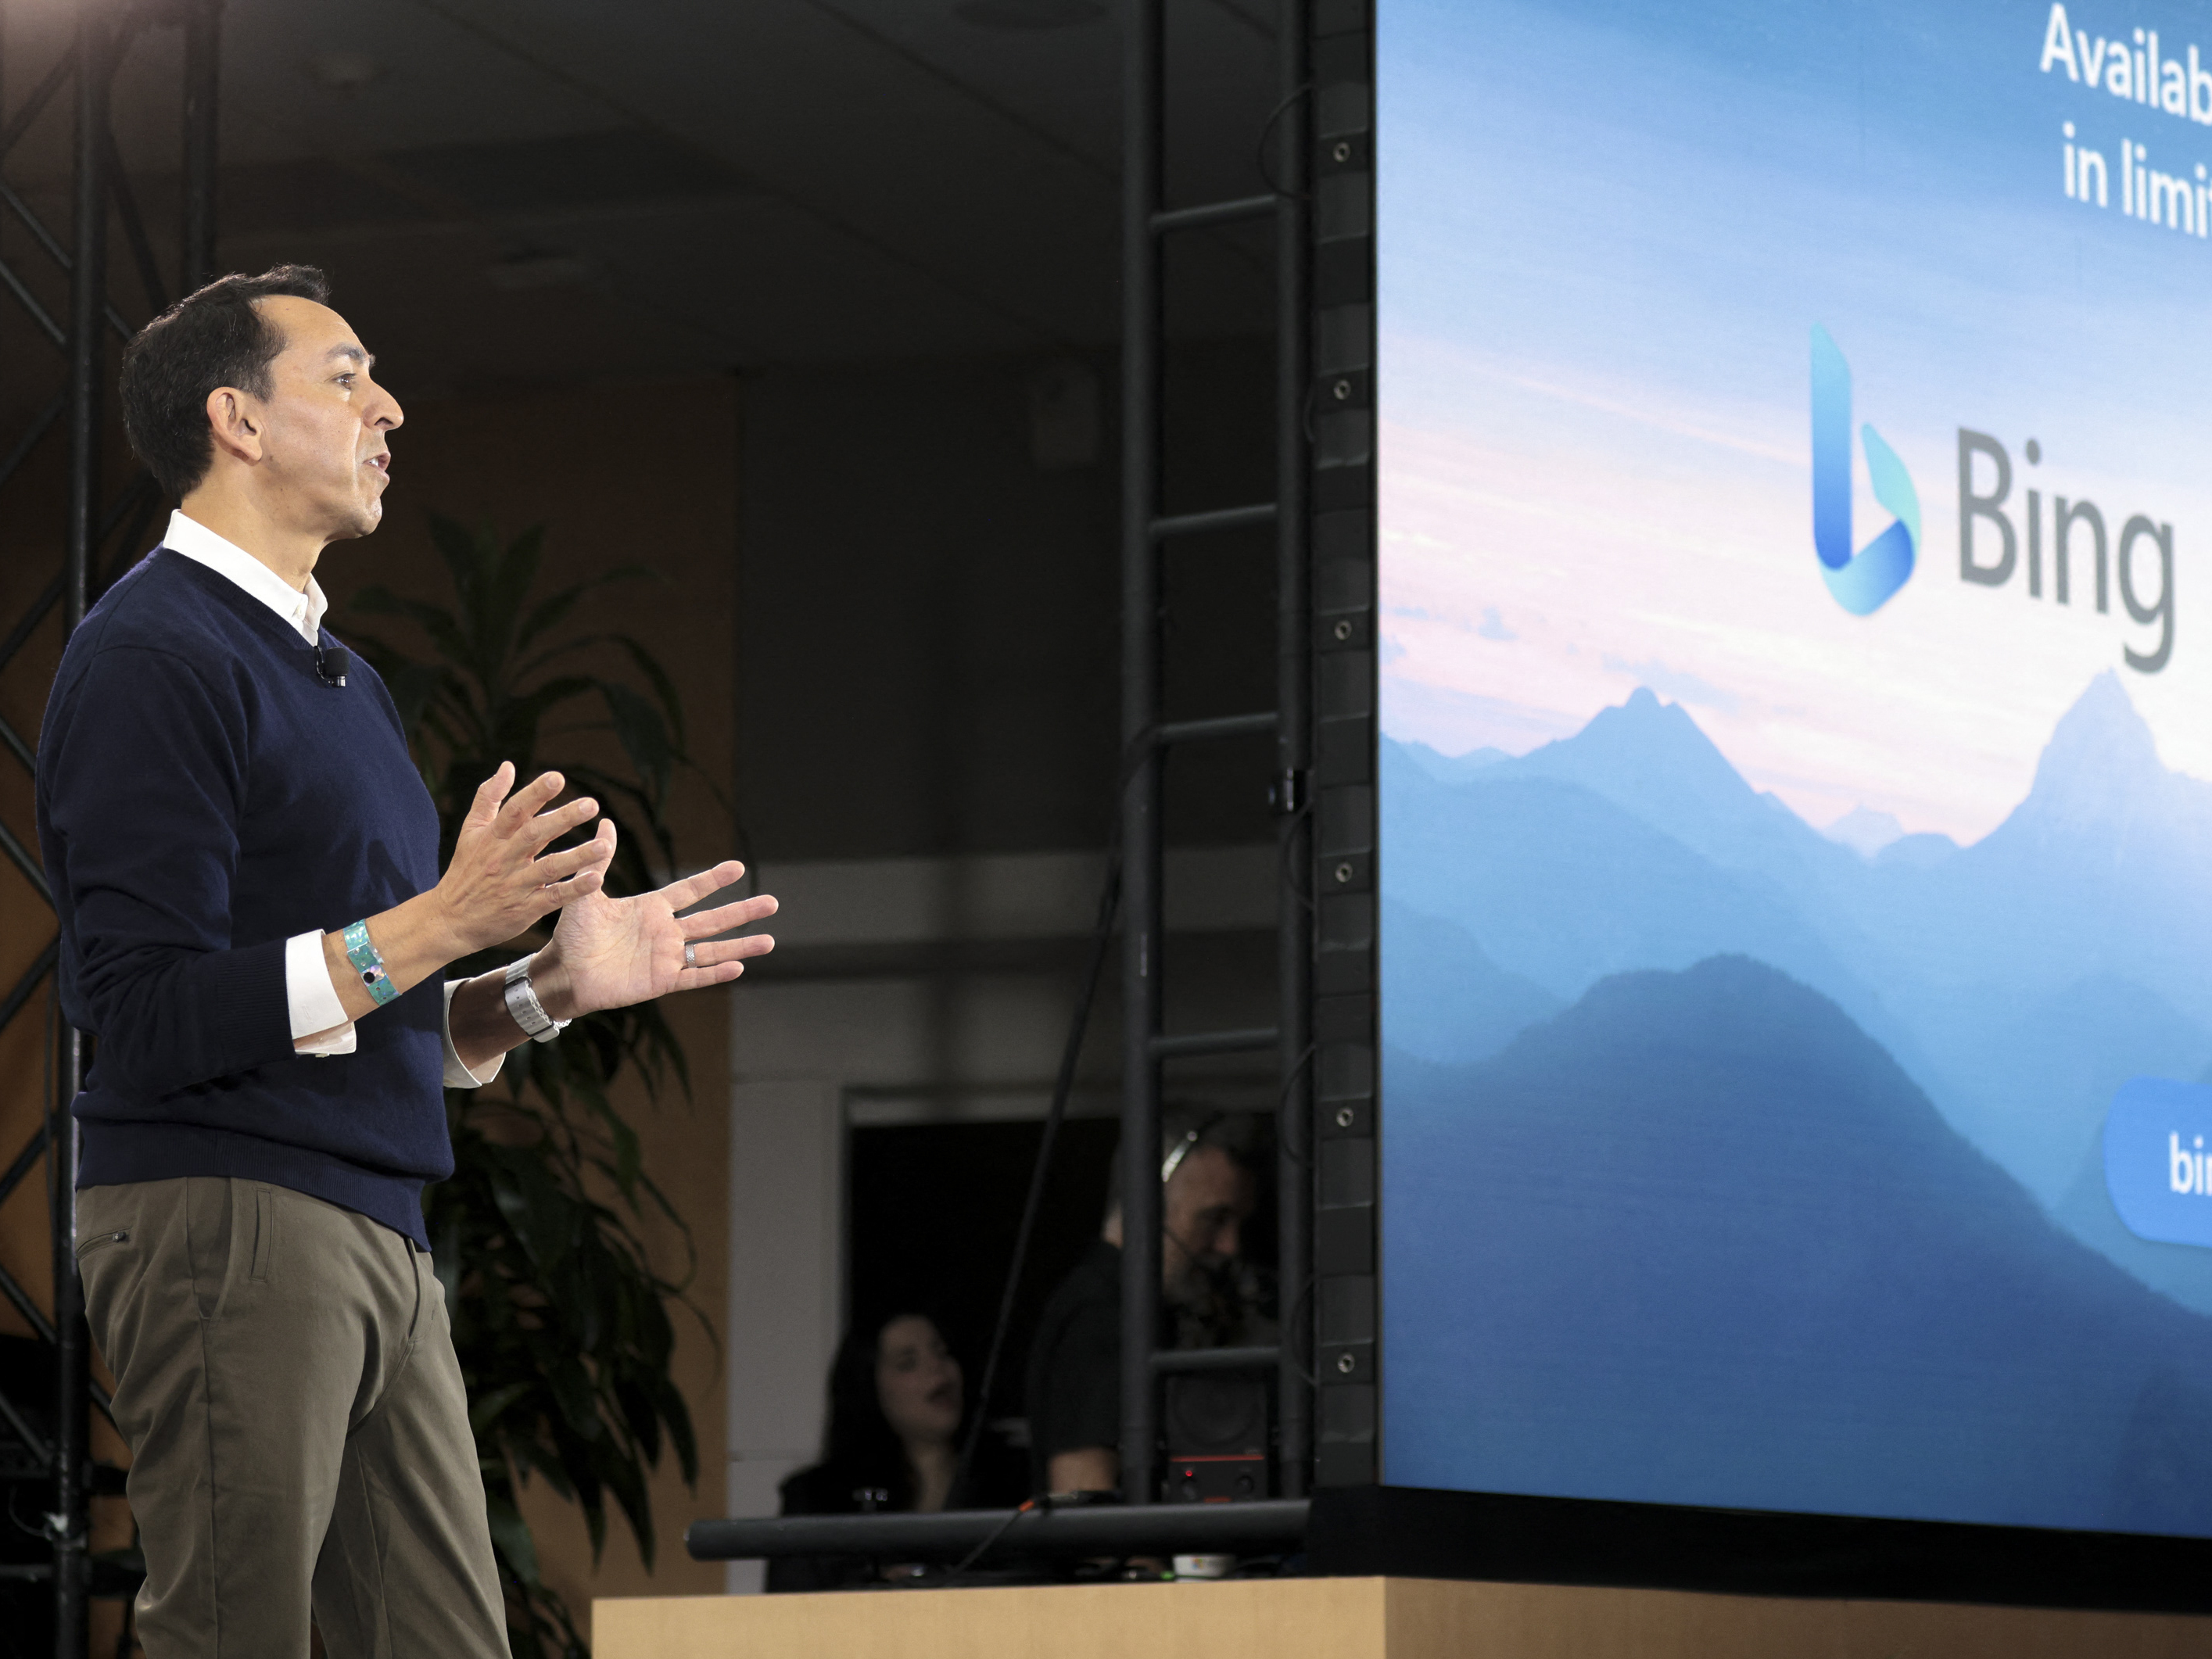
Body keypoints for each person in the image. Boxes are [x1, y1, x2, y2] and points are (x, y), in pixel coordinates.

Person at [34, 264, 780, 1658]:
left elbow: (357, 1008)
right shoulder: (151, 652)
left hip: (378, 1221)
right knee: (233, 1635)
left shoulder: (346, 678)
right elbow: (139, 1014)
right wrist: (440, 921)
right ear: (237, 421)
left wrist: (543, 991)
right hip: (228, 1211)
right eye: (345, 377)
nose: (388, 409)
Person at [1023, 1108, 1267, 1497]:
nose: (1230, 1246)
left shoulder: (1142, 1310)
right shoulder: (1100, 1316)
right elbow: (1083, 1496)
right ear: (1146, 1207)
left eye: (1237, 1223)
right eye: (1214, 1219)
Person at [769, 1307, 1022, 1591]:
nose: (937, 1368)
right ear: (868, 1386)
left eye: (944, 1353)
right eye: (908, 1363)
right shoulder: (815, 1497)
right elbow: (789, 1605)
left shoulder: (1014, 1481)